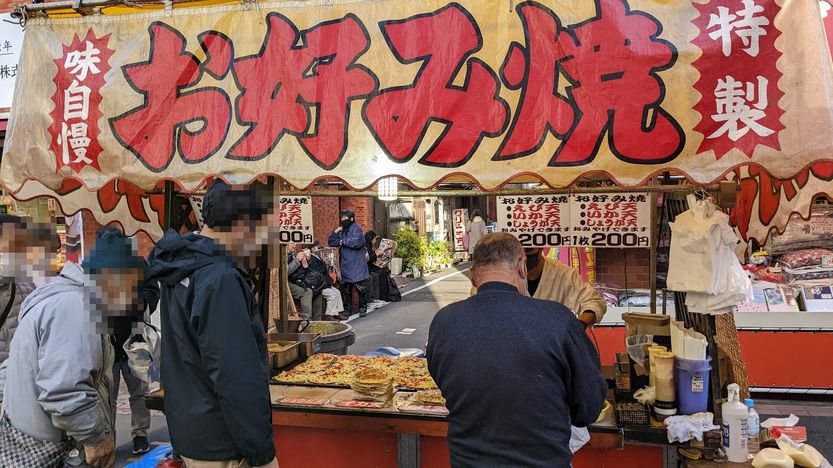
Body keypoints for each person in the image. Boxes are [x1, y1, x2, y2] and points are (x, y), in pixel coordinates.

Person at [426, 233, 607, 467]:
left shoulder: (444, 322)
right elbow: (588, 407)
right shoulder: (559, 321)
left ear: (472, 277)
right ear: (522, 267)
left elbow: (445, 383)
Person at [147, 180, 278, 468]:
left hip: (191, 432)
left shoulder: (183, 263)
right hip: (223, 443)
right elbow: (234, 375)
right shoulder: (220, 278)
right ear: (243, 222)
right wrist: (262, 454)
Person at [1, 226, 149, 468]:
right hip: (47, 450)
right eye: (130, 288)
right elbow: (64, 389)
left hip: (35, 443)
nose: (130, 299)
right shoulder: (75, 307)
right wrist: (95, 439)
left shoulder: (64, 299)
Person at [99, 228, 159, 456]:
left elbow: (153, 290)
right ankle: (108, 438)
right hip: (107, 340)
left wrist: (140, 303)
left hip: (135, 337)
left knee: (138, 390)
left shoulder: (137, 264)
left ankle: (140, 434)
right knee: (108, 395)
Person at [0, 215, 59, 405]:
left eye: (24, 245)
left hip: (21, 384)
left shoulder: (25, 283)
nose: (21, 252)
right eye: (15, 244)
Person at [524, 248, 607, 327]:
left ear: (540, 248)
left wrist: (579, 326)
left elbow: (593, 301)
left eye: (527, 251)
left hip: (554, 339)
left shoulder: (564, 274)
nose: (523, 258)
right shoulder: (511, 275)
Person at [328, 209, 370, 317]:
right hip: (346, 264)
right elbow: (332, 242)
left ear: (351, 218)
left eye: (345, 218)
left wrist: (342, 241)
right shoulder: (342, 230)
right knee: (346, 289)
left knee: (361, 288)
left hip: (357, 263)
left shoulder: (356, 229)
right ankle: (347, 309)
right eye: (341, 218)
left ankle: (362, 307)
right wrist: (335, 232)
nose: (343, 220)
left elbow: (355, 243)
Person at [304, 243, 348, 322]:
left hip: (324, 282)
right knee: (332, 295)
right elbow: (319, 271)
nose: (317, 247)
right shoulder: (310, 259)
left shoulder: (317, 256)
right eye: (315, 246)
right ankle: (329, 314)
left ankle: (336, 312)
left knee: (337, 292)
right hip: (319, 285)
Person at [286, 246, 323, 319]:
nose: (295, 245)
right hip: (286, 282)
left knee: (317, 289)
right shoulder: (282, 254)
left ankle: (317, 320)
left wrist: (305, 263)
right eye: (292, 243)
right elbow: (285, 272)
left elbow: (300, 270)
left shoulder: (292, 253)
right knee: (307, 292)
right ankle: (306, 321)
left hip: (296, 279)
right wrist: (297, 260)